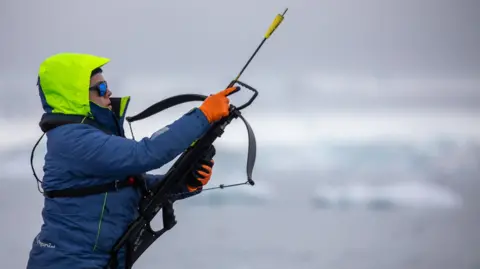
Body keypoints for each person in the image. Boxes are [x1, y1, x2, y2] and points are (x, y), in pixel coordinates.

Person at [26, 52, 238, 269]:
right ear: (76, 96)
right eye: (99, 88)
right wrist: (203, 116)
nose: (107, 92)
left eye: (106, 85)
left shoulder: (90, 135)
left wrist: (187, 182)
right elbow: (145, 154)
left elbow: (130, 186)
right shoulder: (74, 140)